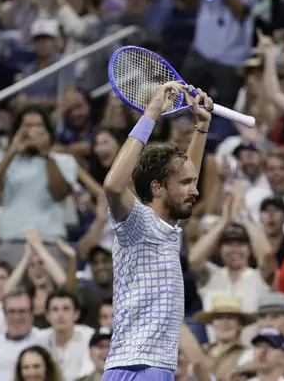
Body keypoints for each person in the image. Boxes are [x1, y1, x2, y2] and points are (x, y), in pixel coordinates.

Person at [101, 81, 214, 380]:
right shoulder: (137, 222)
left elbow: (186, 175)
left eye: (194, 182)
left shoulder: (167, 229)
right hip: (139, 369)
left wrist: (200, 127)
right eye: (186, 184)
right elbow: (112, 185)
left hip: (144, 367)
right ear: (157, 188)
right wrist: (152, 112)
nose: (196, 189)